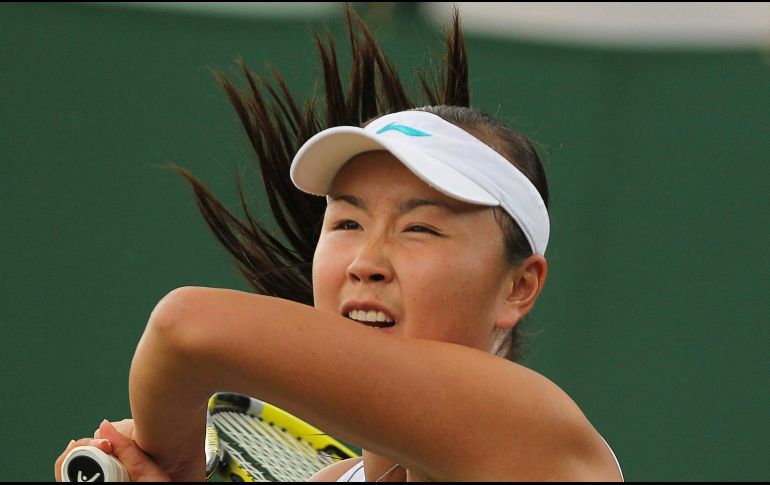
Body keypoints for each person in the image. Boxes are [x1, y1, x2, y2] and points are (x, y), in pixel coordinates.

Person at [55, 6, 623, 482]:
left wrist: (173, 456)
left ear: (518, 287)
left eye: (419, 228)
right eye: (346, 224)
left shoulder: (534, 435)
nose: (365, 263)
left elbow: (185, 327)